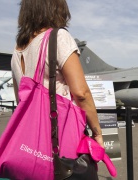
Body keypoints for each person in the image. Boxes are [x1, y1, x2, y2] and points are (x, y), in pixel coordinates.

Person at [11, 0, 104, 147]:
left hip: (32, 129)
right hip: (60, 128)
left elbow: (20, 98)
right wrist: (97, 132)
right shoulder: (59, 37)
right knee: (68, 168)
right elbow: (81, 93)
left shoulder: (17, 49)